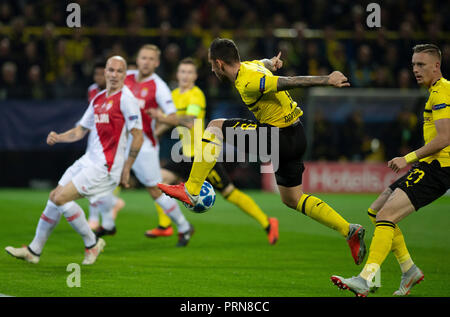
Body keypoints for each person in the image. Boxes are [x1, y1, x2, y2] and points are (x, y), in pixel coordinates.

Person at [158, 38, 366, 265]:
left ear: (219, 63)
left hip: (278, 137)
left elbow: (289, 81)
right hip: (297, 136)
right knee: (292, 199)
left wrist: (327, 80)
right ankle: (349, 230)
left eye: (211, 64)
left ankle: (192, 189)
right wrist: (272, 62)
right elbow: (263, 63)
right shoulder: (250, 66)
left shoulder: (248, 79)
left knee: (215, 127)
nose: (210, 69)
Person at [331, 44, 450, 297]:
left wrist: (407, 157)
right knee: (375, 211)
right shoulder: (435, 92)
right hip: (429, 166)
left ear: (436, 66)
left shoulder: (442, 92)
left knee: (386, 216)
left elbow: (444, 138)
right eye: (414, 64)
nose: (416, 70)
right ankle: (409, 270)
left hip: (439, 169)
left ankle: (366, 278)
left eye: (421, 65)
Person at [5, 56, 143, 265]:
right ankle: (34, 251)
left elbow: (138, 135)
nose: (114, 75)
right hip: (89, 160)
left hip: (106, 166)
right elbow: (80, 130)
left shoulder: (127, 100)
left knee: (61, 199)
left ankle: (92, 243)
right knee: (54, 197)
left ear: (125, 75)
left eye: (119, 71)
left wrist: (127, 168)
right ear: (105, 72)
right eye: (111, 70)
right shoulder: (98, 98)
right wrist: (59, 137)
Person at [149, 57, 279, 245]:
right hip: (184, 154)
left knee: (229, 193)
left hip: (202, 155)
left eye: (189, 72)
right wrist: (155, 134)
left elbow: (189, 120)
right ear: (177, 74)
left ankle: (267, 222)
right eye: (182, 72)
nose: (185, 76)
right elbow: (169, 121)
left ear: (194, 76)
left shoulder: (196, 95)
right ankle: (165, 225)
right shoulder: (174, 95)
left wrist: (161, 118)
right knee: (158, 183)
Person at [121, 44, 194, 247]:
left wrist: (159, 117)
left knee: (155, 189)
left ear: (157, 62)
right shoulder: (126, 78)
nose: (146, 62)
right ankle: (99, 226)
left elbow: (173, 118)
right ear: (138, 58)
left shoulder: (158, 86)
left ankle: (183, 225)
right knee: (105, 177)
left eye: (150, 59)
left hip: (144, 145)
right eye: (143, 58)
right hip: (121, 142)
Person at [85, 62, 126, 232]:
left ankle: (95, 219)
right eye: (97, 74)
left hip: (112, 144)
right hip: (95, 140)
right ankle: (108, 215)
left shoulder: (122, 94)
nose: (99, 78)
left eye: (101, 74)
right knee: (93, 180)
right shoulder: (93, 90)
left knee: (96, 181)